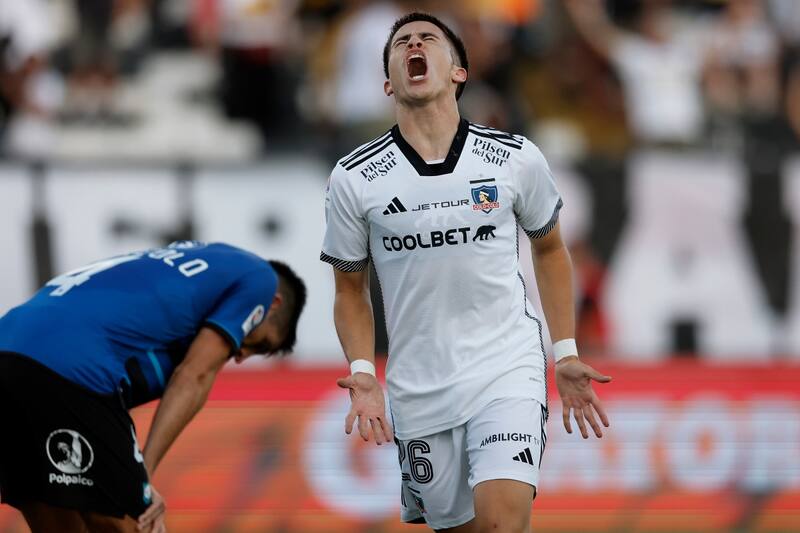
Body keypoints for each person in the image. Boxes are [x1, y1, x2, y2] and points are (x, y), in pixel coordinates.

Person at [321, 11, 611, 532]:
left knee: (503, 523)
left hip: (506, 366)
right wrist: (364, 372)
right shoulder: (354, 178)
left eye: (428, 38)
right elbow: (349, 288)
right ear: (389, 80)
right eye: (402, 41)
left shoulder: (514, 159)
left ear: (458, 72)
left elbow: (550, 250)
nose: (414, 43)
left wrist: (563, 352)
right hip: (418, 384)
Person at [0, 241, 306, 532]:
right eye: (260, 344)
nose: (241, 354)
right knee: (137, 522)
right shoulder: (260, 280)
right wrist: (143, 475)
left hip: (9, 345)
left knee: (61, 523)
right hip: (67, 361)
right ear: (273, 305)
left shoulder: (186, 265)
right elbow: (194, 376)